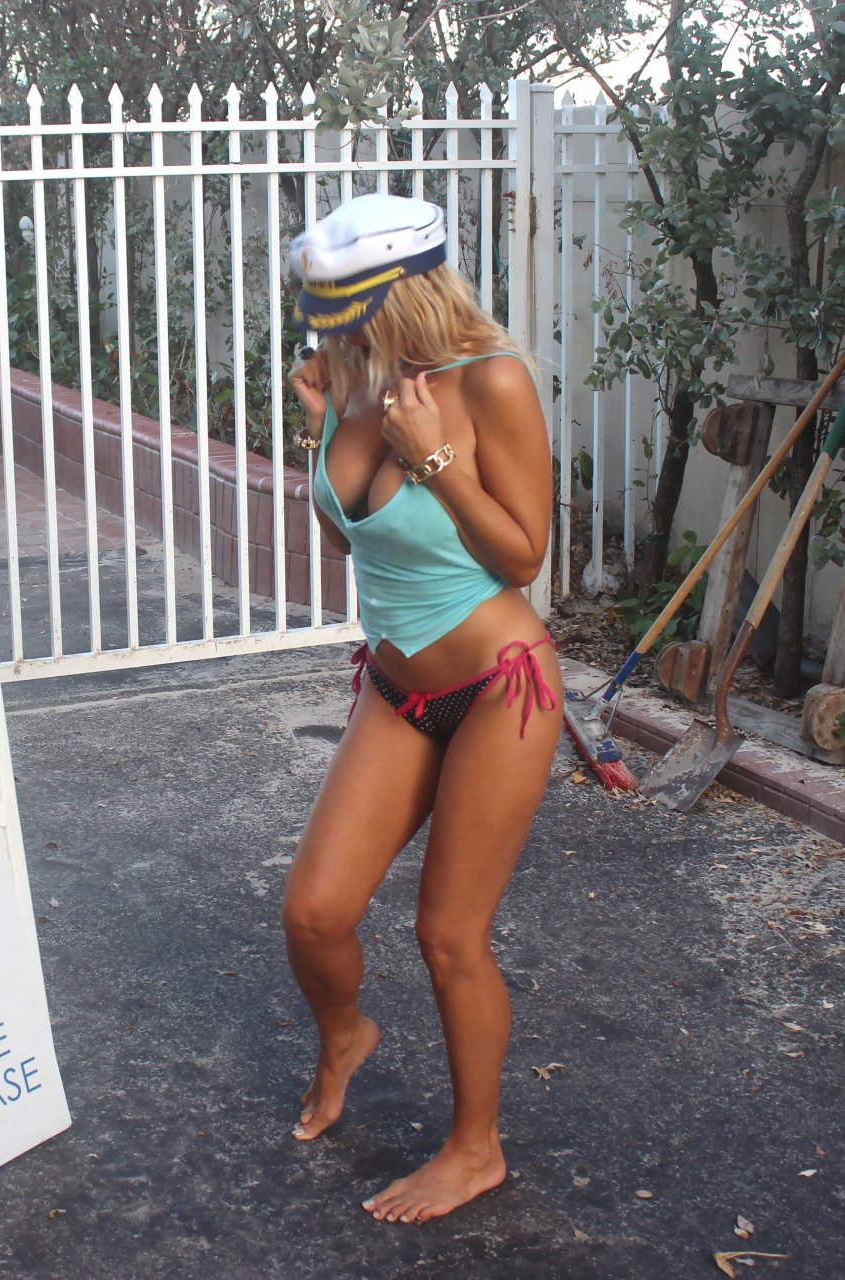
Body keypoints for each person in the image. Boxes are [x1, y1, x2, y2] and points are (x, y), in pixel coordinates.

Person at [280, 192, 562, 1224]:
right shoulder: (352, 380)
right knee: (314, 914)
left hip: (501, 686)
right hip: (399, 687)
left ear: (402, 298)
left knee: (448, 936)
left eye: (347, 316)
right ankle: (346, 1035)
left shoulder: (489, 379)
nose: (331, 336)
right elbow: (354, 538)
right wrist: (325, 433)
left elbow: (524, 556)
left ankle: (475, 1148)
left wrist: (436, 457)